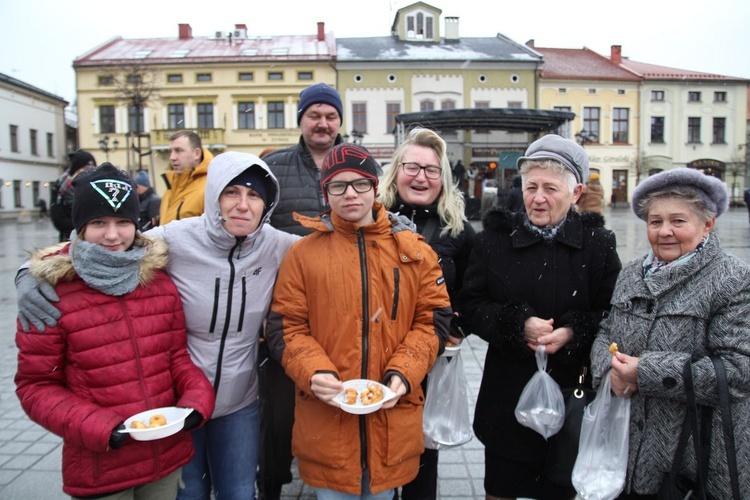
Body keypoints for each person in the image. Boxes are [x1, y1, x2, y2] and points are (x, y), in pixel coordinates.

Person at [15, 152, 300, 500]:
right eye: (231, 192)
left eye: (254, 195)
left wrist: (383, 223)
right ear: (214, 197)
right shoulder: (175, 238)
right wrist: (29, 273)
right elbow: (111, 242)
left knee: (238, 491)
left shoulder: (277, 245)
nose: (242, 205)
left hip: (239, 400)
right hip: (178, 405)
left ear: (267, 204)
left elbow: (324, 251)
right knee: (189, 492)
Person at [14, 163, 215, 499]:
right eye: (98, 223)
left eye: (123, 222)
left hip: (163, 456)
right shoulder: (50, 293)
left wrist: (197, 401)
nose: (112, 235)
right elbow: (35, 386)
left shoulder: (158, 282)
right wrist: (103, 429)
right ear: (80, 226)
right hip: (100, 464)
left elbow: (175, 357)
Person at [265, 143, 452, 498]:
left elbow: (432, 321)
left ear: (375, 187)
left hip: (390, 418)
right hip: (328, 421)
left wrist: (404, 371)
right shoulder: (302, 255)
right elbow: (286, 326)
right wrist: (314, 371)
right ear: (326, 192)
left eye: (360, 183)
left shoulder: (414, 251)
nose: (350, 193)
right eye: (338, 185)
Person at [461, 134, 622, 500]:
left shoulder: (597, 245)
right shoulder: (494, 241)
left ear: (576, 192)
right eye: (531, 186)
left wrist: (572, 331)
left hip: (571, 391)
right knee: (500, 489)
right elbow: (472, 305)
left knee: (559, 487)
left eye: (550, 188)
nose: (537, 198)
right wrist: (516, 324)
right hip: (507, 393)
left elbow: (611, 312)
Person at [590, 167, 750, 499]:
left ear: (707, 224)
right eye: (655, 222)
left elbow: (738, 372)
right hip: (630, 449)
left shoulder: (734, 279)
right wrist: (609, 372)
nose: (665, 232)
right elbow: (607, 331)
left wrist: (644, 372)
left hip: (697, 457)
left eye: (678, 221)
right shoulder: (634, 271)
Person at [256, 81, 345, 499]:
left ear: (340, 121)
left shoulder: (357, 164)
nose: (322, 123)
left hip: (343, 309)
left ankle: (329, 479)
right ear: (301, 120)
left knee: (333, 399)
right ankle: (271, 484)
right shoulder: (273, 166)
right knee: (277, 414)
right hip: (283, 310)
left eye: (330, 116)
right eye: (315, 115)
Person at [378, 127, 475, 499]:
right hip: (374, 355)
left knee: (421, 454)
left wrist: (458, 328)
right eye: (412, 167)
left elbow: (472, 290)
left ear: (443, 179)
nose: (421, 177)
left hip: (430, 361)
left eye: (432, 170)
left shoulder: (459, 231)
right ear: (395, 172)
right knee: (377, 446)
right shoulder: (372, 222)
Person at [160, 130, 214, 224]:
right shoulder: (171, 184)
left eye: (178, 150)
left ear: (197, 153)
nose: (172, 157)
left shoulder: (210, 186)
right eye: (170, 151)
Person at [50, 149, 96, 241]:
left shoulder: (96, 187)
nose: (90, 172)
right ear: (75, 170)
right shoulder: (60, 187)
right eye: (86, 168)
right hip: (68, 239)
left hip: (92, 240)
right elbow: (59, 220)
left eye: (93, 168)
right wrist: (85, 226)